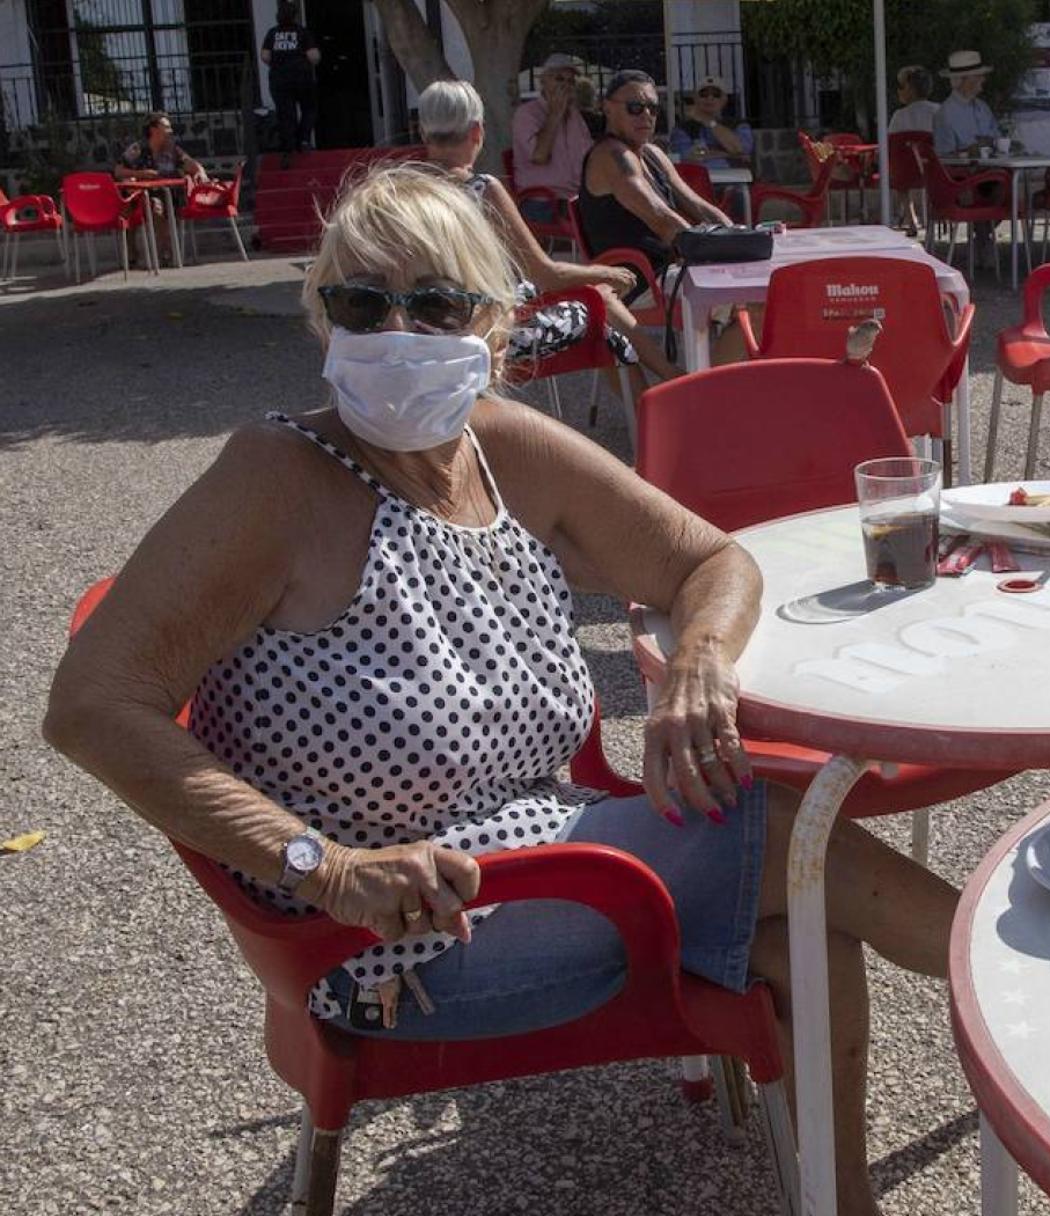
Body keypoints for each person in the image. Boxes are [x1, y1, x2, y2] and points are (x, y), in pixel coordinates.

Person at [43, 161, 957, 1216]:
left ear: (499, 322)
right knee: (791, 830)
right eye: (359, 302)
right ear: (319, 313)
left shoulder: (502, 450)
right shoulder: (276, 478)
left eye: (431, 304)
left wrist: (697, 665)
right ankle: (1026, 993)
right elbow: (91, 703)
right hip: (392, 937)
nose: (393, 330)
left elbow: (714, 564)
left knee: (798, 919)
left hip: (551, 851)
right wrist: (324, 865)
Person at [418, 81, 672, 382]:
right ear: (477, 132)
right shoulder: (482, 190)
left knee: (596, 296)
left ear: (423, 133)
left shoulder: (407, 190)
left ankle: (665, 387)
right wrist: (605, 273)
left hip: (427, 330)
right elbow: (545, 274)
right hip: (491, 335)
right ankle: (666, 390)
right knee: (601, 303)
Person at [580, 70, 733, 306]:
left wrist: (738, 237)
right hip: (641, 283)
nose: (646, 115)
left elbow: (698, 206)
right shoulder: (611, 155)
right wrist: (716, 252)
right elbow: (662, 220)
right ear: (607, 108)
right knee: (745, 300)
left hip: (671, 270)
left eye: (653, 108)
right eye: (635, 107)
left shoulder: (652, 153)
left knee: (757, 291)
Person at [510, 52, 595, 224]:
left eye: (570, 81)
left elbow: (587, 156)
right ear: (544, 81)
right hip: (543, 201)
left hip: (574, 196)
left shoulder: (574, 115)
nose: (566, 86)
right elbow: (539, 156)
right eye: (559, 79)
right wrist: (555, 113)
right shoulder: (526, 114)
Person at [113, 112, 206, 265]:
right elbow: (118, 171)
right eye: (166, 127)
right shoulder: (138, 149)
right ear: (153, 129)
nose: (170, 131)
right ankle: (131, 254)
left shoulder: (172, 150)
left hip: (168, 194)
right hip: (140, 194)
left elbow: (192, 164)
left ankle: (165, 253)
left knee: (156, 206)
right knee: (129, 207)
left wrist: (201, 172)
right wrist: (141, 173)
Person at [260, 0, 319, 162]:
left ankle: (289, 147)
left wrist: (278, 63)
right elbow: (313, 56)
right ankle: (304, 139)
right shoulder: (303, 33)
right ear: (295, 16)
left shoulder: (272, 33)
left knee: (286, 113)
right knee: (309, 108)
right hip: (302, 78)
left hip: (279, 80)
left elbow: (265, 56)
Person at [889, 65, 939, 233]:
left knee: (901, 182)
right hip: (935, 170)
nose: (898, 91)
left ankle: (912, 220)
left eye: (901, 86)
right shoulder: (939, 111)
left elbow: (891, 147)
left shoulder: (899, 116)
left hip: (905, 172)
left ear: (909, 89)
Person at [667, 74, 754, 171]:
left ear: (724, 99)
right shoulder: (682, 129)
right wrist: (729, 154)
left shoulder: (740, 125)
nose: (709, 98)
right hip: (698, 182)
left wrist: (708, 121)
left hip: (736, 182)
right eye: (704, 94)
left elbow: (740, 149)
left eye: (716, 94)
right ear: (695, 98)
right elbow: (686, 157)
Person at [932, 50, 997, 156]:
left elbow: (998, 140)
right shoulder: (945, 114)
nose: (983, 79)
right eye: (978, 75)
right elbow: (944, 160)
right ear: (962, 80)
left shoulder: (983, 107)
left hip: (997, 168)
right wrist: (968, 152)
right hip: (968, 172)